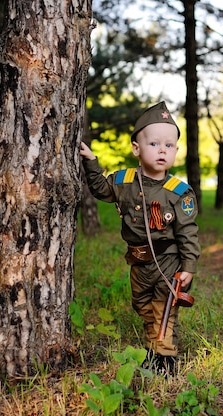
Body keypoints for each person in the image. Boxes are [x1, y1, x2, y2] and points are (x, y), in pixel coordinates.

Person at [80, 101, 200, 376]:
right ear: (137, 148)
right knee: (142, 305)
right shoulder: (124, 181)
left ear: (176, 152)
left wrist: (188, 266)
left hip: (167, 260)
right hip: (138, 261)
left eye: (169, 146)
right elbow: (101, 190)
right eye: (155, 144)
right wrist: (90, 161)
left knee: (164, 308)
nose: (162, 150)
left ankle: (165, 360)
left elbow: (188, 232)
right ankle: (154, 347)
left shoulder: (178, 192)